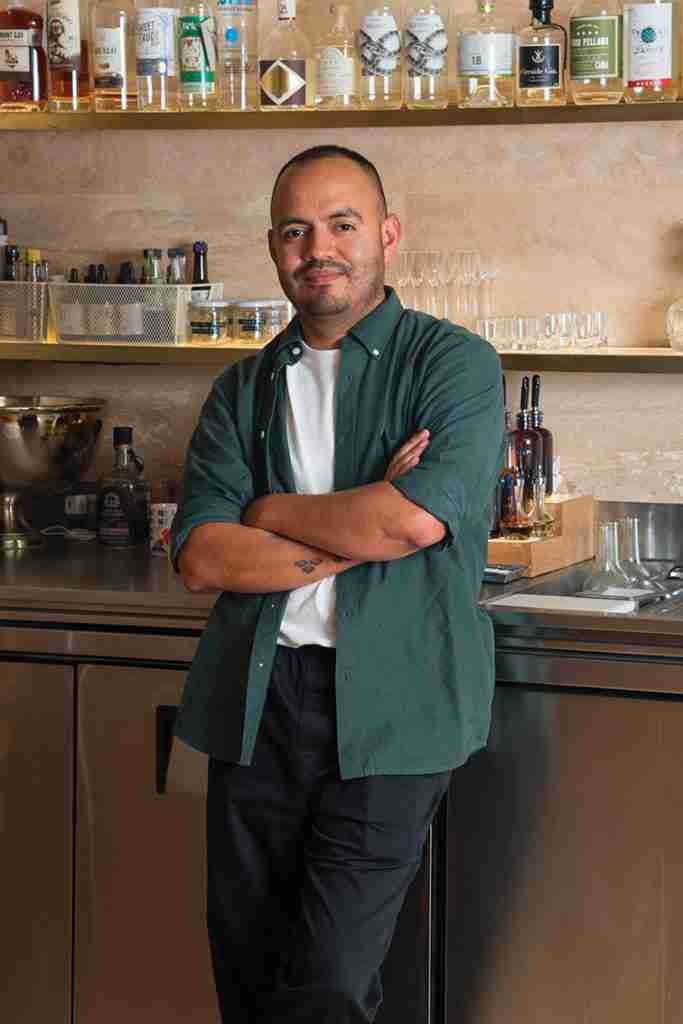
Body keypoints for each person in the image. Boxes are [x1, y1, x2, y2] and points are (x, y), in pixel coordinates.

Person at [170, 144, 504, 1024]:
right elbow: (204, 555)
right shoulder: (240, 388)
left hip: (395, 706)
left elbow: (412, 522)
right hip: (257, 704)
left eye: (342, 224)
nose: (318, 247)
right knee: (248, 974)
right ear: (274, 248)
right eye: (295, 230)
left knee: (326, 983)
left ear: (386, 236)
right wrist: (357, 529)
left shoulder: (452, 364)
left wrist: (270, 509)